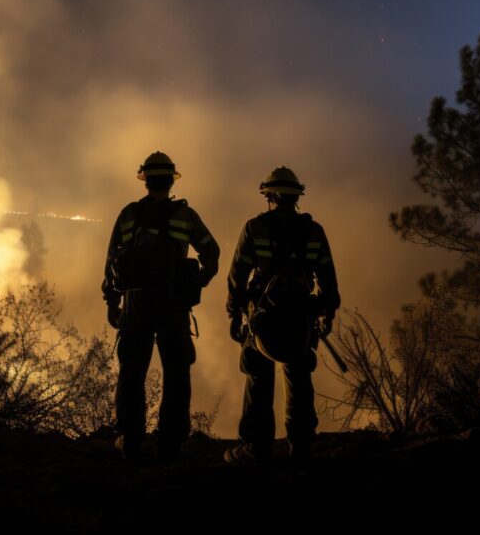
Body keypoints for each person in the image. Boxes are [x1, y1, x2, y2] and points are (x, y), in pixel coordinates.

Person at [103, 151, 219, 462]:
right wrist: (197, 282)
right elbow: (212, 252)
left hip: (136, 305)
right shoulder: (186, 216)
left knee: (131, 373)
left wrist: (113, 303)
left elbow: (112, 260)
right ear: (170, 181)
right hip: (174, 305)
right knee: (177, 373)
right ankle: (170, 444)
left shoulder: (128, 215)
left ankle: (130, 441)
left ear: (145, 181)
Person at [225, 166, 340, 468]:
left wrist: (235, 315)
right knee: (300, 381)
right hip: (300, 319)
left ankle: (256, 448)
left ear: (270, 195)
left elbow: (237, 277)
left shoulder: (255, 228)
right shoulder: (313, 231)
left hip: (262, 319)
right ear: (296, 196)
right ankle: (300, 448)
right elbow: (328, 277)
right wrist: (328, 312)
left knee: (258, 379)